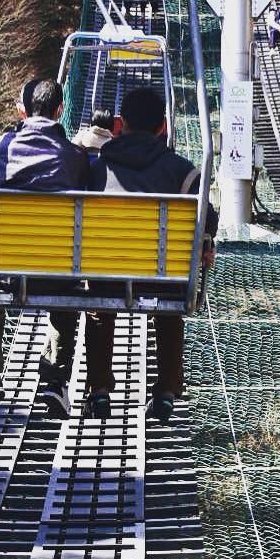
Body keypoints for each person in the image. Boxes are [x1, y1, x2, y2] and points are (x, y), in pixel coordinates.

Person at [83, 86, 217, 422]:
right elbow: (207, 219)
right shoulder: (183, 173)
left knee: (98, 305)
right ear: (162, 127)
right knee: (170, 304)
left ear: (121, 124)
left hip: (108, 276)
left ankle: (99, 390)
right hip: (161, 277)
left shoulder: (97, 171)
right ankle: (167, 390)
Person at [0, 78, 89, 419]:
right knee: (68, 292)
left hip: (6, 273)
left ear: (22, 110)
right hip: (57, 274)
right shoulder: (75, 157)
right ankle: (54, 380)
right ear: (60, 111)